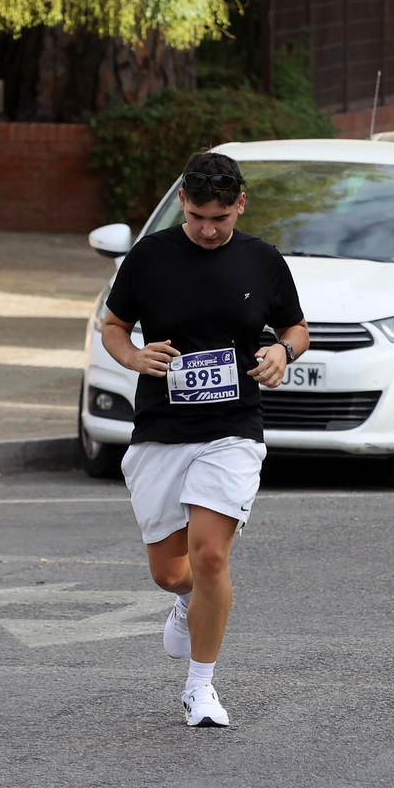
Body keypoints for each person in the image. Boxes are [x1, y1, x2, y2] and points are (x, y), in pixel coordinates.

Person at [101, 151, 308, 728]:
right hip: (161, 430)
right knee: (171, 571)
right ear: (182, 207)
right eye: (196, 217)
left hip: (233, 429)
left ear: (240, 204)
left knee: (211, 555)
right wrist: (135, 356)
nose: (208, 229)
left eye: (220, 217)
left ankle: (201, 687)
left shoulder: (262, 261)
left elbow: (296, 326)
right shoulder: (151, 256)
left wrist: (281, 352)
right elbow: (114, 326)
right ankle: (186, 599)